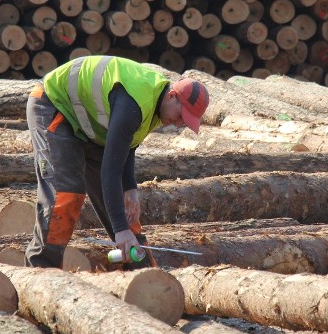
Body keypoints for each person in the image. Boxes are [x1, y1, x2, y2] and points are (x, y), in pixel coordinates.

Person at [25, 55, 210, 268]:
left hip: (88, 121)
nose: (179, 124)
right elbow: (109, 172)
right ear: (171, 96)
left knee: (123, 200)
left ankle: (143, 275)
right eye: (180, 116)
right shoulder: (135, 102)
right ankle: (40, 269)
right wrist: (120, 229)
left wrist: (130, 188)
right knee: (67, 193)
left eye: (185, 122)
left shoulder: (157, 108)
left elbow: (126, 146)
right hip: (54, 105)